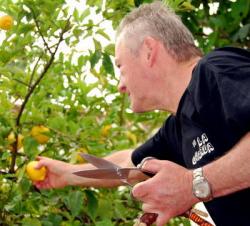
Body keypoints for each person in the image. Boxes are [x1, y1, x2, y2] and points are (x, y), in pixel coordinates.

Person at [34, 1, 250, 226]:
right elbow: (129, 165)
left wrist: (192, 185)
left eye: (120, 67)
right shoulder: (178, 128)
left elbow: (191, 184)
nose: (120, 85)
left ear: (149, 51)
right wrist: (68, 173)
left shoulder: (216, 70)